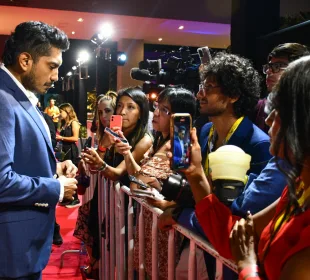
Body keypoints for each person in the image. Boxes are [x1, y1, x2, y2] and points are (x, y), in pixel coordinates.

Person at [0, 21, 78, 280]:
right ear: (25, 60)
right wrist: (56, 188)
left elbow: (18, 160)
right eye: (52, 66)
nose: (55, 77)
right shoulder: (3, 99)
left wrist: (54, 169)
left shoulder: (16, 97)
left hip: (21, 248)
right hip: (11, 252)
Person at [230, 55, 310, 279]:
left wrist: (246, 265)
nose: (267, 119)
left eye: (279, 108)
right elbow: (244, 231)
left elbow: (243, 238)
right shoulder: (299, 184)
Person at [114, 86, 199, 280]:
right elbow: (139, 179)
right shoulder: (161, 140)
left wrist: (168, 202)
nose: (157, 113)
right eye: (157, 106)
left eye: (165, 110)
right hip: (151, 227)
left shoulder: (179, 143)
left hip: (165, 231)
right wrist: (127, 153)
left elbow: (137, 184)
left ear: (181, 116)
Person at [81, 87, 153, 279]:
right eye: (120, 106)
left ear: (141, 113)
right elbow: (97, 164)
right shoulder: (113, 132)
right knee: (106, 242)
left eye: (131, 107)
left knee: (126, 256)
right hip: (109, 201)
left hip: (130, 208)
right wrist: (104, 145)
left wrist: (100, 162)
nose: (122, 112)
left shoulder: (144, 139)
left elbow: (117, 173)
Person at [73, 91, 117, 278]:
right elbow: (95, 165)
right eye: (100, 112)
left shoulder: (119, 135)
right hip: (102, 190)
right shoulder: (101, 134)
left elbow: (105, 164)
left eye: (107, 111)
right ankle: (95, 263)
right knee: (89, 220)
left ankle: (98, 265)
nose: (103, 116)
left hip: (116, 195)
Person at [252, 43, 309, 134]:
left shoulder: (305, 111)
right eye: (269, 66)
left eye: (277, 66)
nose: (268, 71)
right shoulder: (258, 107)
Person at [57, 103, 81, 208]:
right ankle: (67, 197)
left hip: (71, 151)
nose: (60, 114)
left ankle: (75, 199)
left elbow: (75, 138)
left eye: (61, 111)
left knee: (71, 173)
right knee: (65, 174)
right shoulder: (64, 123)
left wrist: (61, 138)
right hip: (64, 150)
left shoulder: (74, 123)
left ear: (67, 112)